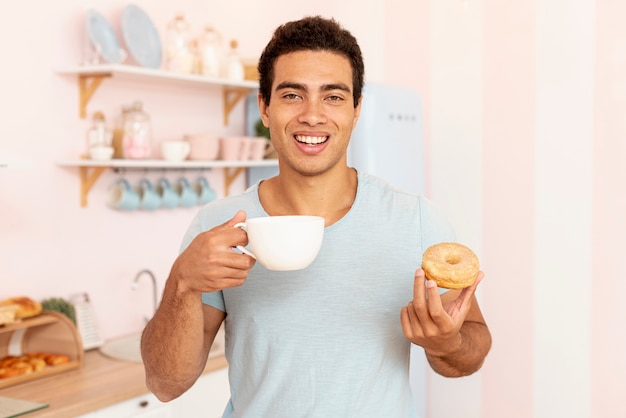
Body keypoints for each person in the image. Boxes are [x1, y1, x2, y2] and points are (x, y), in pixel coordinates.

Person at [141, 15, 492, 417]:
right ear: (265, 108)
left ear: (356, 110)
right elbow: (166, 384)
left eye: (334, 96)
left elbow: (473, 348)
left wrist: (447, 344)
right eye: (292, 95)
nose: (312, 115)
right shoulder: (219, 227)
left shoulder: (416, 219)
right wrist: (181, 282)